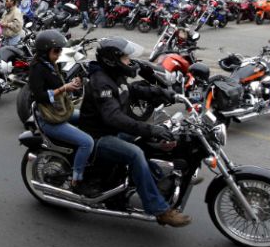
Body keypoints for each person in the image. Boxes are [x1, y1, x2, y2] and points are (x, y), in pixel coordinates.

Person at [78, 37, 192, 227]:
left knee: (142, 142)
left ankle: (157, 180)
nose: (129, 61)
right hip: (98, 136)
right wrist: (150, 129)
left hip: (111, 131)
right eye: (124, 58)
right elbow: (113, 117)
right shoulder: (101, 83)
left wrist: (161, 93)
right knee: (135, 153)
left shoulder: (113, 75)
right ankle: (159, 210)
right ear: (111, 60)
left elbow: (129, 90)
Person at [30, 30, 95, 195]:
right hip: (49, 118)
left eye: (60, 50)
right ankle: (77, 180)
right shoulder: (38, 68)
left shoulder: (51, 64)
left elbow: (56, 85)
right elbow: (40, 96)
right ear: (45, 51)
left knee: (91, 119)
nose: (59, 54)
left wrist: (71, 84)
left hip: (60, 110)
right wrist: (63, 88)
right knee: (87, 142)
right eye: (56, 51)